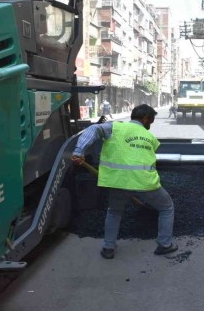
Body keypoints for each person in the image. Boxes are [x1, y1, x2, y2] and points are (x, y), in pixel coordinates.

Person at [71, 104, 177, 259]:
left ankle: (108, 248)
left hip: (118, 180)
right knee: (167, 208)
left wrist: (79, 151)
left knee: (114, 211)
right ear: (145, 118)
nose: (150, 124)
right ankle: (165, 245)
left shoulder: (115, 128)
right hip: (145, 182)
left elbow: (94, 129)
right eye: (151, 121)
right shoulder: (151, 139)